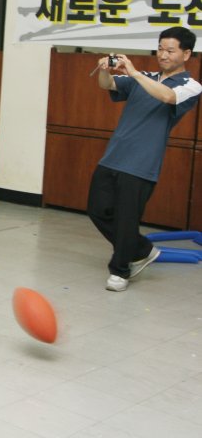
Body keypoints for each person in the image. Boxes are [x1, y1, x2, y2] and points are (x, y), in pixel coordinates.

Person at [87, 27, 200, 292]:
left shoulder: (191, 86)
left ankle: (120, 270)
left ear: (186, 54)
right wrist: (105, 68)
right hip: (113, 156)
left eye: (170, 50)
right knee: (96, 209)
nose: (163, 54)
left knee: (127, 219)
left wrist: (134, 72)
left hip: (141, 164)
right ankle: (142, 249)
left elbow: (167, 96)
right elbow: (108, 85)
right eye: (160, 48)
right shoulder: (147, 76)